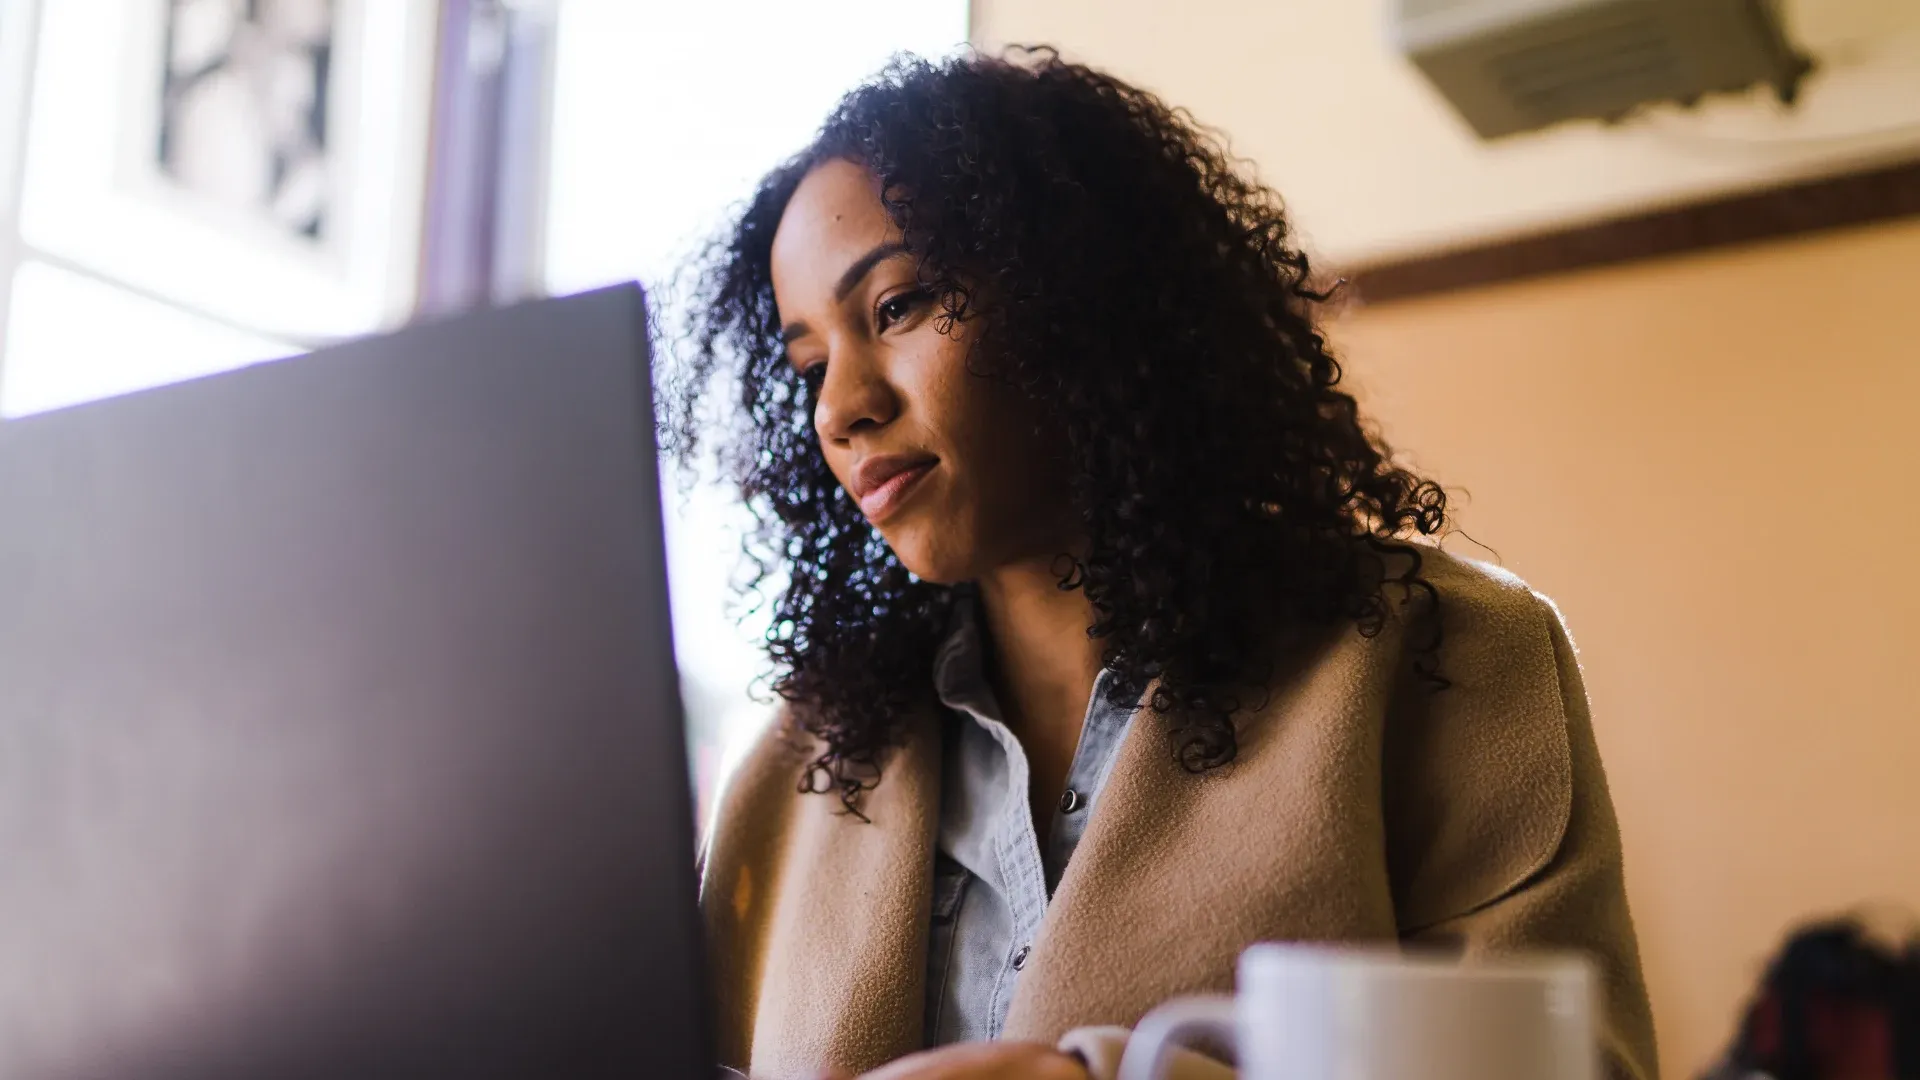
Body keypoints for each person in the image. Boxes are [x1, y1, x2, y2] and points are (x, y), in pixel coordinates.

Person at [678, 47, 1657, 1080]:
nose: (842, 408)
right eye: (811, 364)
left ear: (1077, 294)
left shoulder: (1439, 659)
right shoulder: (798, 769)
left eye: (898, 305)